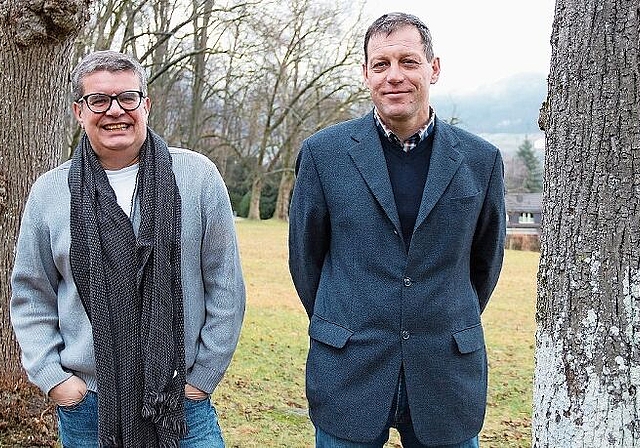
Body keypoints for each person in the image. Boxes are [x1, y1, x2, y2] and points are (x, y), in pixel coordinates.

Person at [288, 12, 506, 448]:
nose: (394, 76)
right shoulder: (322, 155)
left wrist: (437, 317)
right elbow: (305, 259)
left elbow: (486, 263)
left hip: (445, 374)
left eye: (408, 61)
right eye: (381, 64)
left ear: (434, 68)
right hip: (348, 369)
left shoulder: (481, 161)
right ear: (366, 74)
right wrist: (345, 320)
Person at [10, 50, 246, 447]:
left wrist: (202, 378)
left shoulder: (197, 177)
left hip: (180, 403)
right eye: (98, 100)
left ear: (146, 105)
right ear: (78, 112)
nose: (114, 110)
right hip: (89, 404)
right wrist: (55, 380)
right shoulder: (50, 192)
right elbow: (32, 293)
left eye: (128, 98)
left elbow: (225, 284)